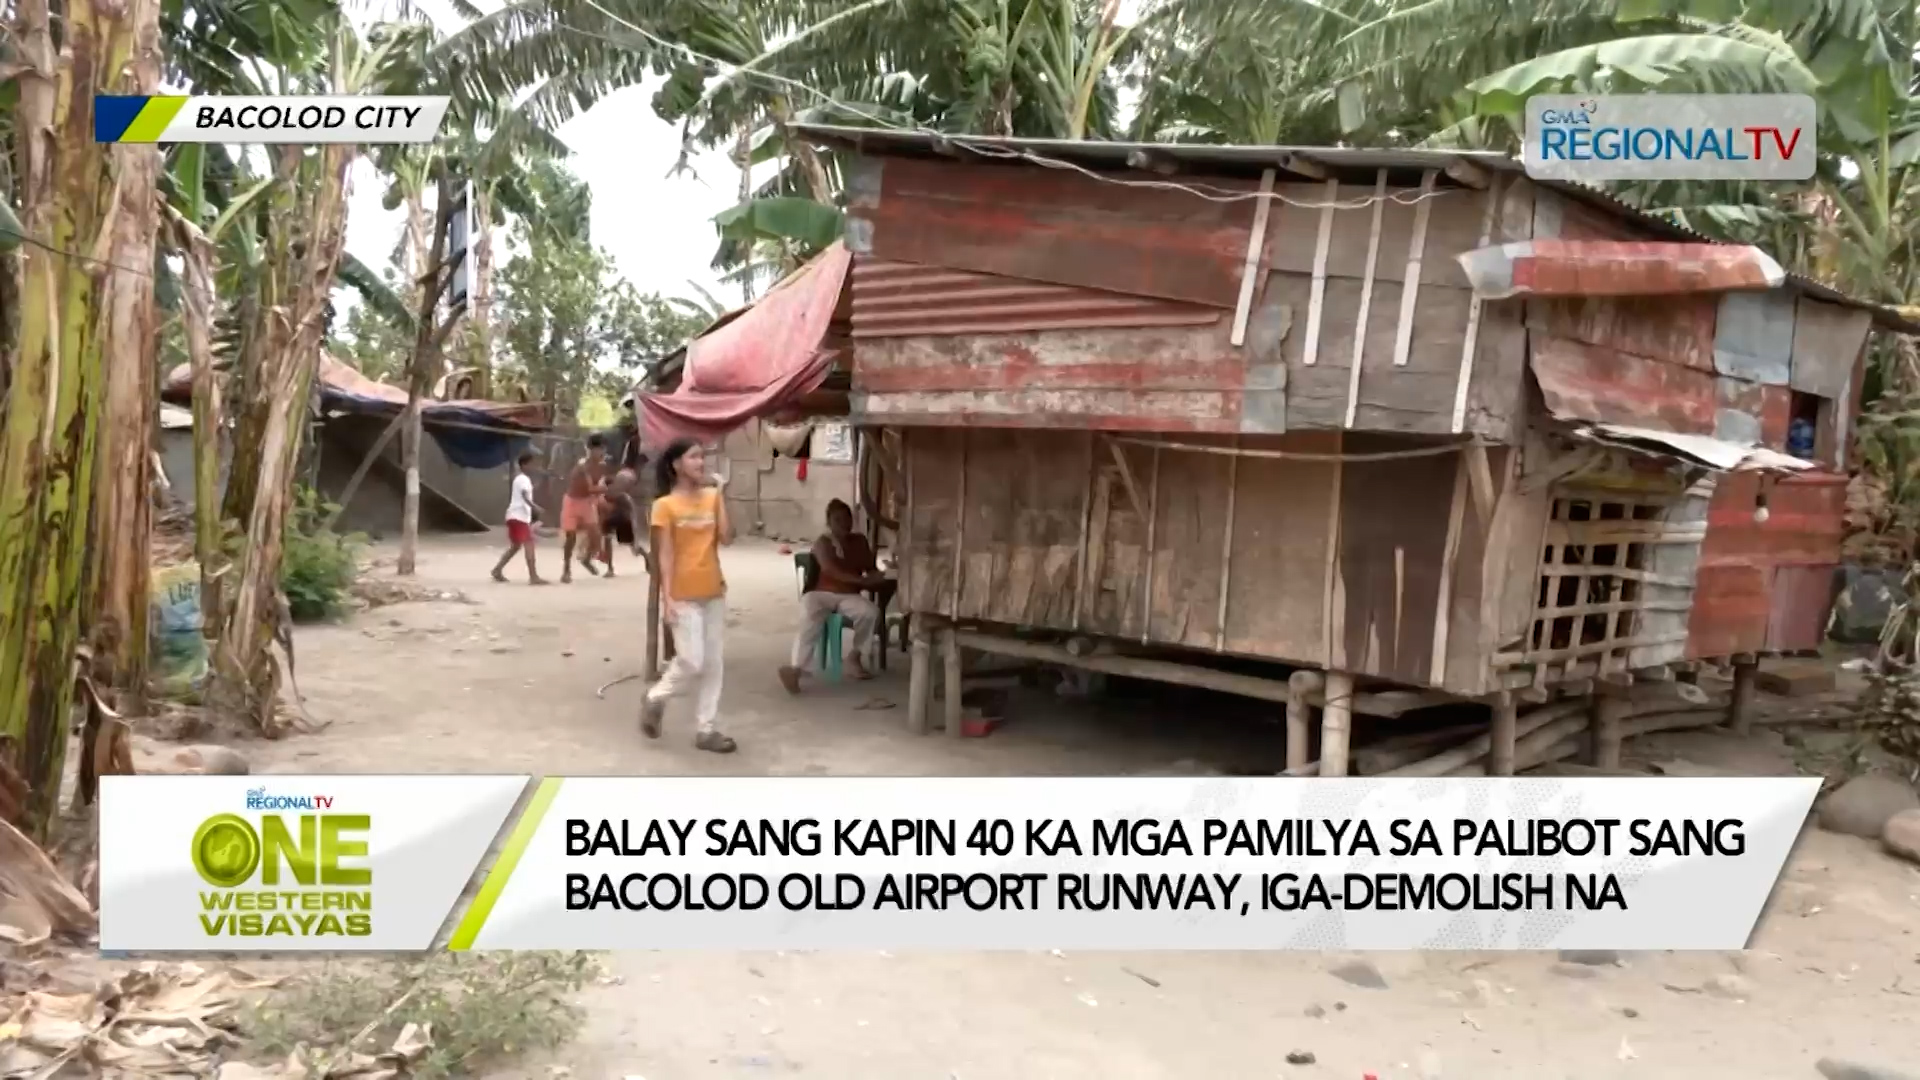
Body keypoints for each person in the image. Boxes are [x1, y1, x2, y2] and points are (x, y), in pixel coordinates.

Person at [641, 438, 737, 753]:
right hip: (682, 594)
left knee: (714, 663)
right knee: (691, 661)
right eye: (694, 457)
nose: (701, 463)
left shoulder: (711, 497)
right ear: (676, 465)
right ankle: (656, 697)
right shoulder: (664, 506)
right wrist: (667, 599)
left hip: (713, 591)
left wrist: (721, 495)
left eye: (702, 457)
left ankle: (706, 729)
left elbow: (727, 537)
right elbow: (664, 555)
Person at [779, 499, 885, 693]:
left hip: (848, 596)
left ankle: (855, 657)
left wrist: (884, 576)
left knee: (871, 612)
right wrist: (862, 582)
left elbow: (871, 569)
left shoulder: (859, 541)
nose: (843, 524)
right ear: (829, 523)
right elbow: (830, 569)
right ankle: (797, 669)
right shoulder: (823, 543)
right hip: (821, 593)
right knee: (809, 614)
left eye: (847, 519)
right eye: (837, 520)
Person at [490, 450, 547, 585]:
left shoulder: (521, 479)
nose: (535, 467)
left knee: (515, 546)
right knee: (529, 544)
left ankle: (497, 570)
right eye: (532, 464)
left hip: (515, 517)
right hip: (518, 517)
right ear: (524, 465)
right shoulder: (523, 479)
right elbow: (524, 496)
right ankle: (533, 577)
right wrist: (535, 507)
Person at [560, 433, 609, 583]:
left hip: (587, 502)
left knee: (596, 536)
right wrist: (607, 490)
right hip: (572, 502)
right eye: (598, 449)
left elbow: (599, 485)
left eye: (602, 449)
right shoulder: (583, 466)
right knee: (571, 537)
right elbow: (591, 488)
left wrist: (603, 491)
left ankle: (586, 559)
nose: (601, 453)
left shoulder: (602, 466)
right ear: (589, 450)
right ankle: (566, 569)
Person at [596, 468, 643, 577]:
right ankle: (610, 568)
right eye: (622, 480)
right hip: (610, 519)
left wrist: (636, 536)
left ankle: (646, 557)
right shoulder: (608, 486)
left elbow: (633, 517)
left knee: (631, 544)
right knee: (607, 541)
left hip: (623, 520)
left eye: (627, 482)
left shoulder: (625, 498)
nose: (623, 483)